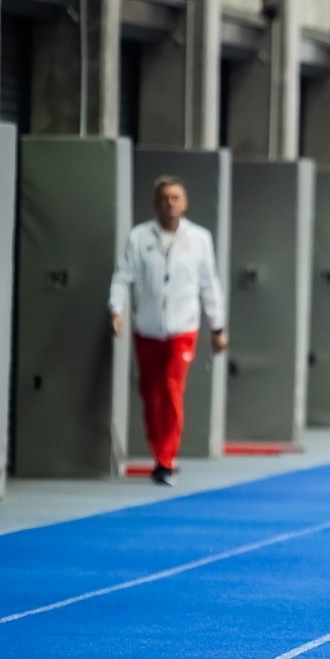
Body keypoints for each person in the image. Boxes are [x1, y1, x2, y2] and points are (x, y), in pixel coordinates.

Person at [109, 175, 228, 485]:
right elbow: (123, 276)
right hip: (147, 327)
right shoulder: (139, 237)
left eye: (176, 198)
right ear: (155, 203)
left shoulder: (199, 239)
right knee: (151, 393)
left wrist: (218, 325)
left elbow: (209, 283)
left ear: (184, 203)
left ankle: (165, 458)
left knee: (172, 387)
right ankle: (158, 450)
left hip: (182, 327)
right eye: (165, 198)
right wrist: (116, 309)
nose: (170, 203)